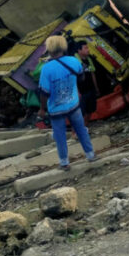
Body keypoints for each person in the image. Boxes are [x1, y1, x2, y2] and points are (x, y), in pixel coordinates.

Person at [38, 35, 96, 170]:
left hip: (56, 109)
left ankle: (64, 163)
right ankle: (91, 155)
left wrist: (42, 109)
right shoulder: (73, 61)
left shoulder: (46, 69)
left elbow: (44, 92)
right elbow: (81, 76)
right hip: (74, 104)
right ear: (63, 47)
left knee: (60, 136)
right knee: (81, 130)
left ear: (49, 50)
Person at [75, 41, 100, 126]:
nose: (88, 50)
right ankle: (81, 128)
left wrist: (96, 88)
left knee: (91, 109)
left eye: (87, 48)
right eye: (85, 48)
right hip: (81, 91)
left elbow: (92, 73)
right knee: (82, 111)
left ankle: (85, 125)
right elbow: (73, 78)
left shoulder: (89, 60)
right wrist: (77, 92)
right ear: (79, 50)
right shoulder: (75, 61)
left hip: (90, 89)